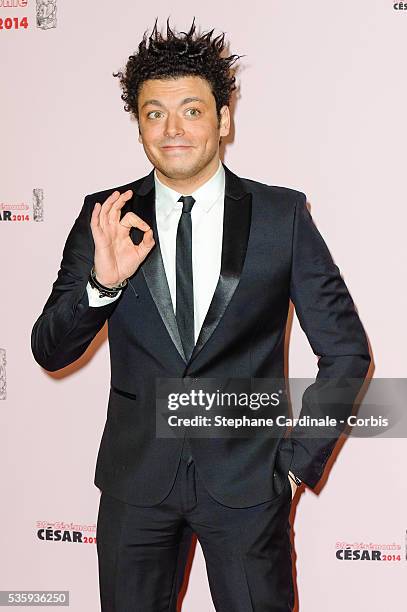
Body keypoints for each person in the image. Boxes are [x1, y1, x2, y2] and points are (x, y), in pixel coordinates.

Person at [31, 18, 371, 612]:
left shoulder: (280, 217)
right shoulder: (105, 216)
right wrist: (102, 284)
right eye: (154, 113)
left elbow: (346, 350)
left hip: (247, 485)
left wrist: (293, 467)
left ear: (224, 119)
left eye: (191, 109)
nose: (173, 129)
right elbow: (49, 349)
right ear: (138, 125)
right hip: (136, 486)